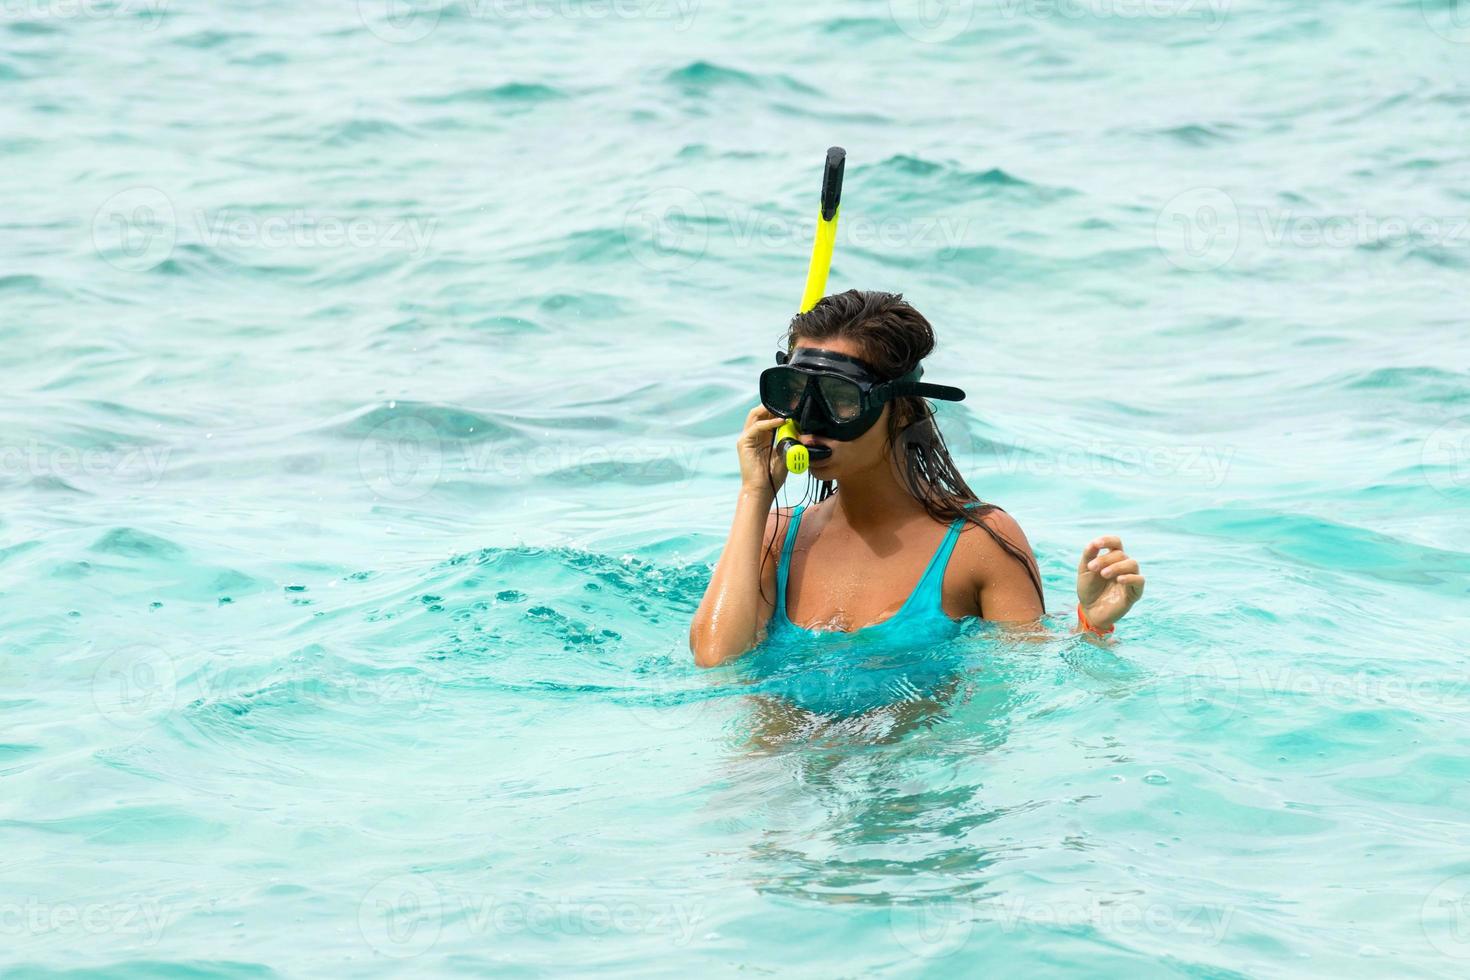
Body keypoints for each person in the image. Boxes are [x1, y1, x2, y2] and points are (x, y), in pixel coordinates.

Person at [690, 290, 1145, 669]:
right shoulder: (775, 535)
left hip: (910, 765)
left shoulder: (976, 543)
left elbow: (1025, 673)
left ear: (901, 407)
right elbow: (715, 661)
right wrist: (754, 495)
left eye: (840, 399)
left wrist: (1093, 625)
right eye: (794, 394)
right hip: (776, 764)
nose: (811, 422)